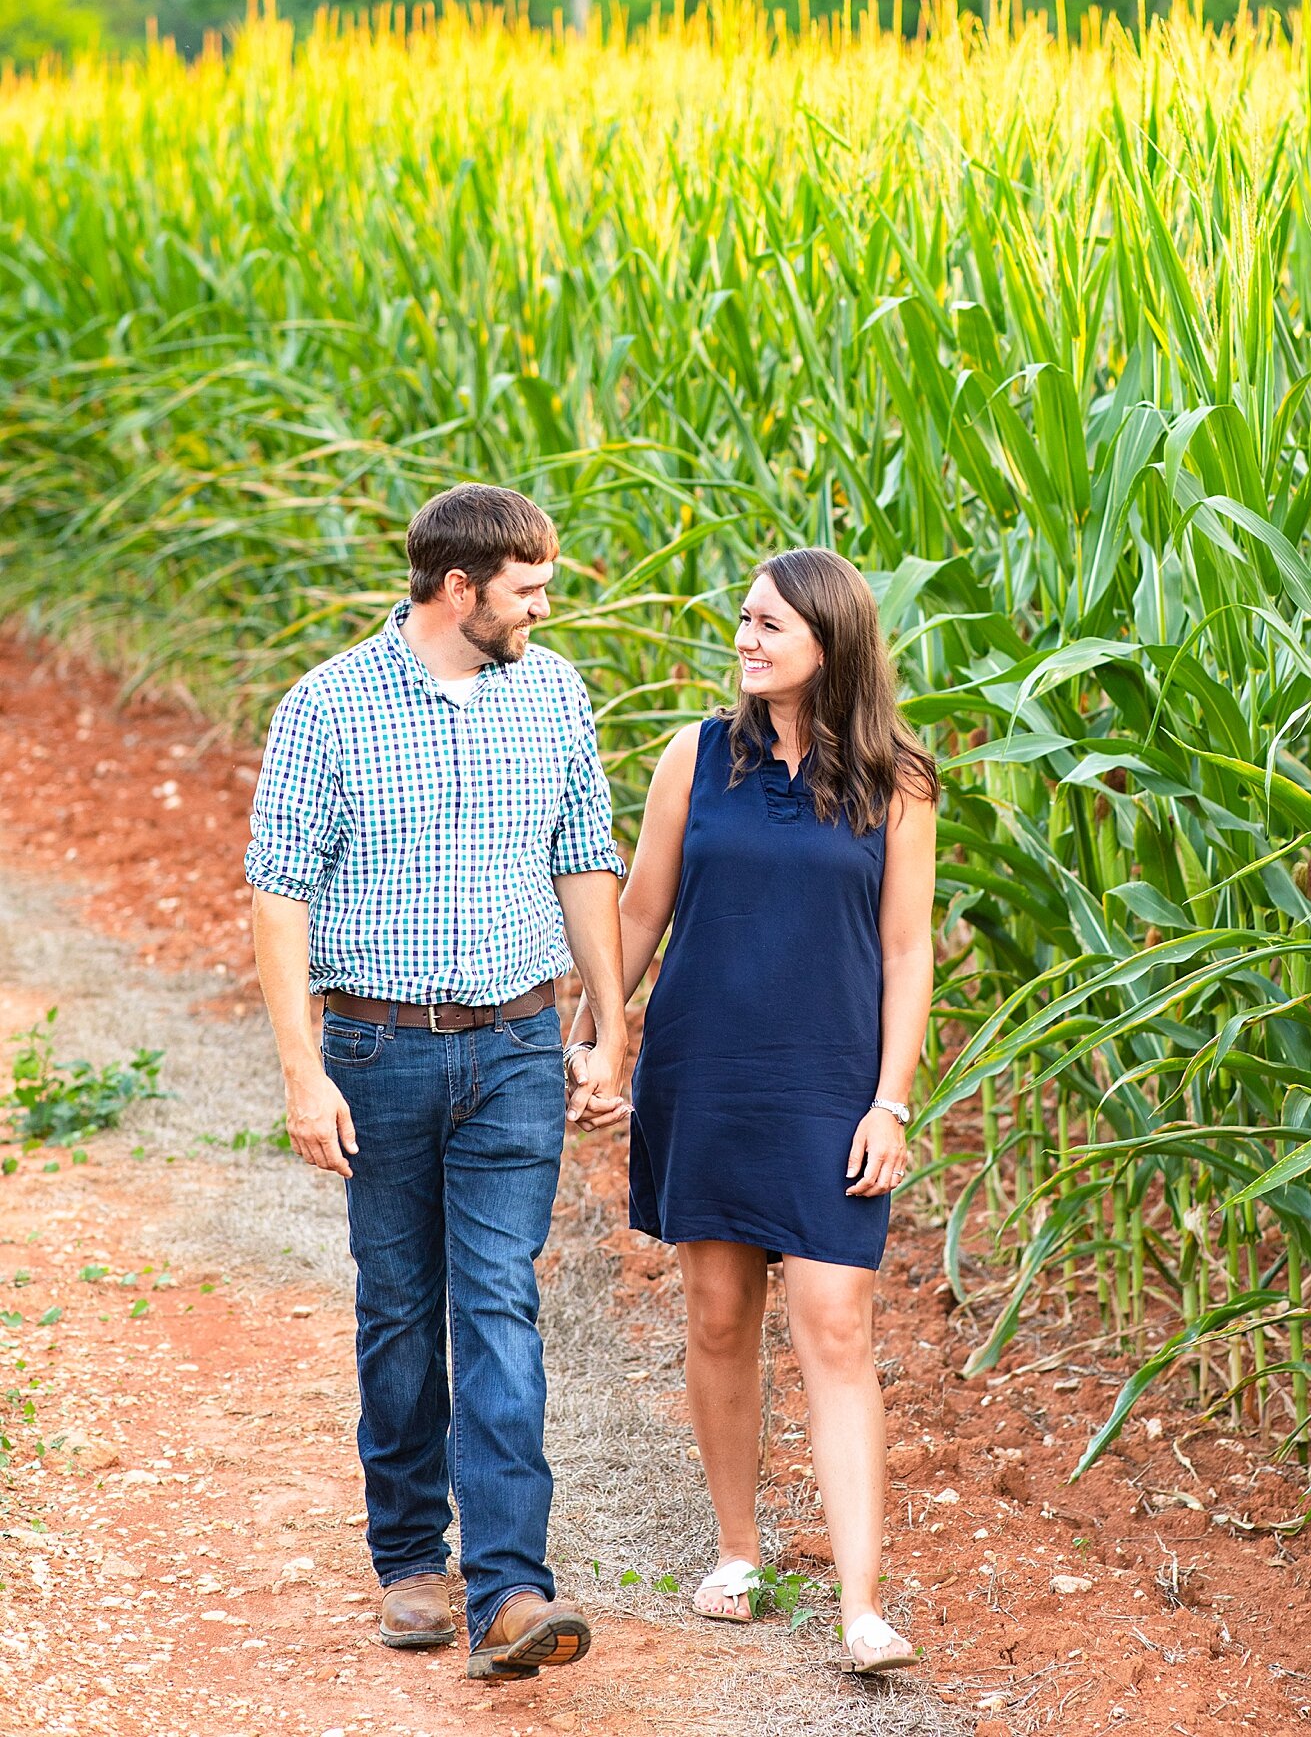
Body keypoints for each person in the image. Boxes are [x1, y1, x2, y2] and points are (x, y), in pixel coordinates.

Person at [245, 483, 628, 1686]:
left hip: (516, 1048)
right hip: (379, 1049)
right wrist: (303, 1072)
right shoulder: (328, 706)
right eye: (528, 589)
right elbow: (278, 889)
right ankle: (412, 1557)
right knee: (403, 1307)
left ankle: (512, 1587)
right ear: (459, 589)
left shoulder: (554, 693)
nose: (543, 607)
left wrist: (609, 1025)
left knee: (500, 1303)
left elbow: (583, 859)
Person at [566, 546, 938, 1676]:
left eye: (770, 625)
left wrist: (892, 1103)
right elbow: (637, 915)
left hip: (829, 1082)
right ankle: (737, 1552)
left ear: (831, 641)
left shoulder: (900, 781)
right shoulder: (695, 757)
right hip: (707, 1068)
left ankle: (862, 1608)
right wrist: (600, 1038)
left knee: (836, 1324)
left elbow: (909, 952)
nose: (747, 639)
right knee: (719, 1316)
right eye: (744, 620)